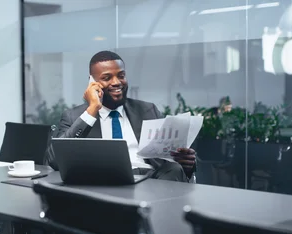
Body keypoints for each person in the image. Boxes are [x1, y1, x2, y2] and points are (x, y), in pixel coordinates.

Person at [47, 50, 196, 182]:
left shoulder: (147, 110)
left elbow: (166, 159)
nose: (117, 82)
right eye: (107, 78)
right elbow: (54, 160)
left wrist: (185, 163)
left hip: (149, 180)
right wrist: (92, 109)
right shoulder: (74, 116)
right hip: (102, 181)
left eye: (121, 75)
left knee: (175, 169)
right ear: (92, 83)